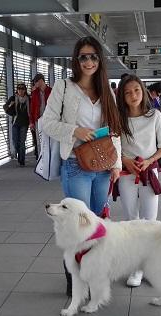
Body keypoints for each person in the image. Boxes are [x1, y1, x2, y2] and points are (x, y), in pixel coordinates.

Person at [39, 36, 122, 296]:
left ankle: (94, 276)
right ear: (77, 60)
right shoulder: (64, 87)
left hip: (103, 168)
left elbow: (114, 131)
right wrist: (75, 130)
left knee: (97, 225)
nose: (88, 61)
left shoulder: (106, 90)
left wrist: (117, 163)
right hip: (76, 165)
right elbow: (46, 123)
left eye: (93, 56)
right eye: (83, 56)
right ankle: (74, 281)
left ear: (100, 60)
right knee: (76, 226)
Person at [116, 75, 161, 287]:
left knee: (150, 222)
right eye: (127, 92)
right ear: (122, 96)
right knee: (131, 220)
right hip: (127, 173)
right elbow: (113, 147)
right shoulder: (118, 118)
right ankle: (136, 267)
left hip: (149, 172)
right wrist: (124, 161)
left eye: (136, 90)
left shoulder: (154, 115)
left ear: (143, 91)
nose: (133, 95)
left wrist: (149, 161)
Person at [3, 83, 30, 166]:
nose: (20, 91)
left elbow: (31, 110)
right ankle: (19, 156)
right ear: (17, 90)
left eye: (22, 89)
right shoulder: (13, 98)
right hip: (15, 123)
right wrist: (10, 106)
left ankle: (22, 160)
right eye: (19, 89)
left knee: (22, 142)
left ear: (25, 90)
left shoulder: (28, 99)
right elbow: (5, 107)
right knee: (15, 141)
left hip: (24, 123)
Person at [30, 73, 52, 158]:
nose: (34, 85)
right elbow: (32, 108)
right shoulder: (34, 93)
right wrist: (31, 122)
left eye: (35, 82)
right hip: (38, 120)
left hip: (50, 120)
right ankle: (41, 158)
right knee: (39, 141)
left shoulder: (51, 91)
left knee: (50, 140)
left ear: (40, 81)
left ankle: (49, 157)